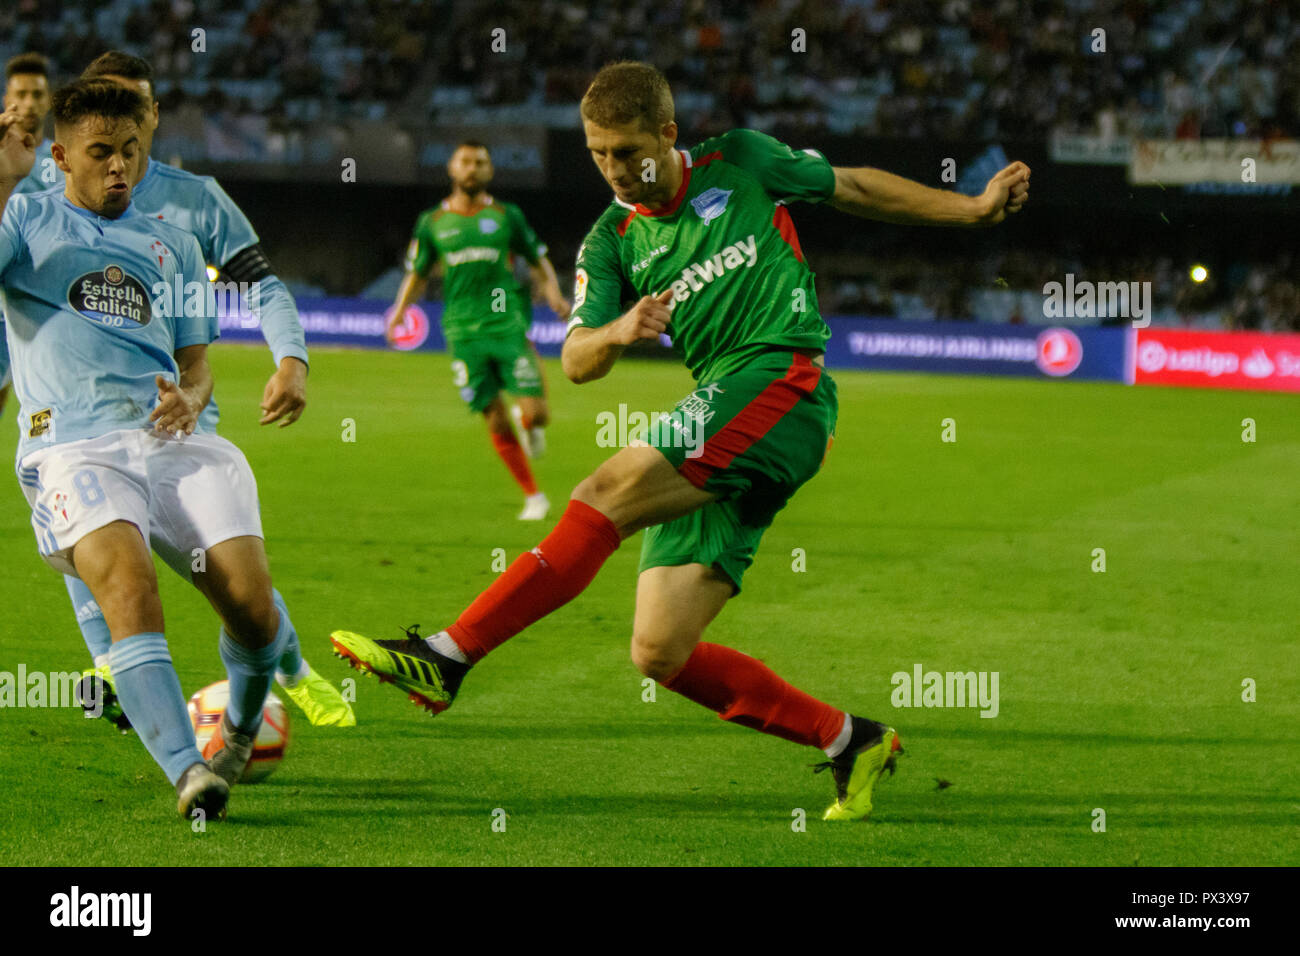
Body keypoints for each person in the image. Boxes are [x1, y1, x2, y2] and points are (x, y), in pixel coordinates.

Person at [334, 61, 1030, 821]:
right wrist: (620, 330)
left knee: (604, 494)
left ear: (669, 134)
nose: (615, 170)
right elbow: (574, 360)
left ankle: (448, 655)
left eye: (628, 150)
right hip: (726, 412)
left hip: (782, 383)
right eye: (598, 153)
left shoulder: (743, 160)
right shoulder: (610, 242)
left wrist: (972, 210)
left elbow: (855, 186)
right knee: (659, 651)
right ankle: (848, 740)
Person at [0, 50, 353, 730]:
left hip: (176, 421)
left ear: (152, 114)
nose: (115, 155)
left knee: (236, 584)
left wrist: (291, 359)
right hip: (77, 424)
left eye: (134, 110)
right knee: (99, 549)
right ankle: (119, 670)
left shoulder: (195, 201)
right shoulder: (46, 186)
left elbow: (262, 285)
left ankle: (288, 666)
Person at [386, 140, 570, 521]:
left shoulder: (507, 215)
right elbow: (417, 273)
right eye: (466, 162)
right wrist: (399, 310)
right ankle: (534, 497)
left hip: (506, 324)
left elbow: (539, 260)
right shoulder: (433, 222)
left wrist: (552, 292)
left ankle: (530, 424)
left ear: (490, 171)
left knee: (536, 414)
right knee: (494, 417)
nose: (473, 168)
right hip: (462, 331)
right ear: (452, 169)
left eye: (480, 163)